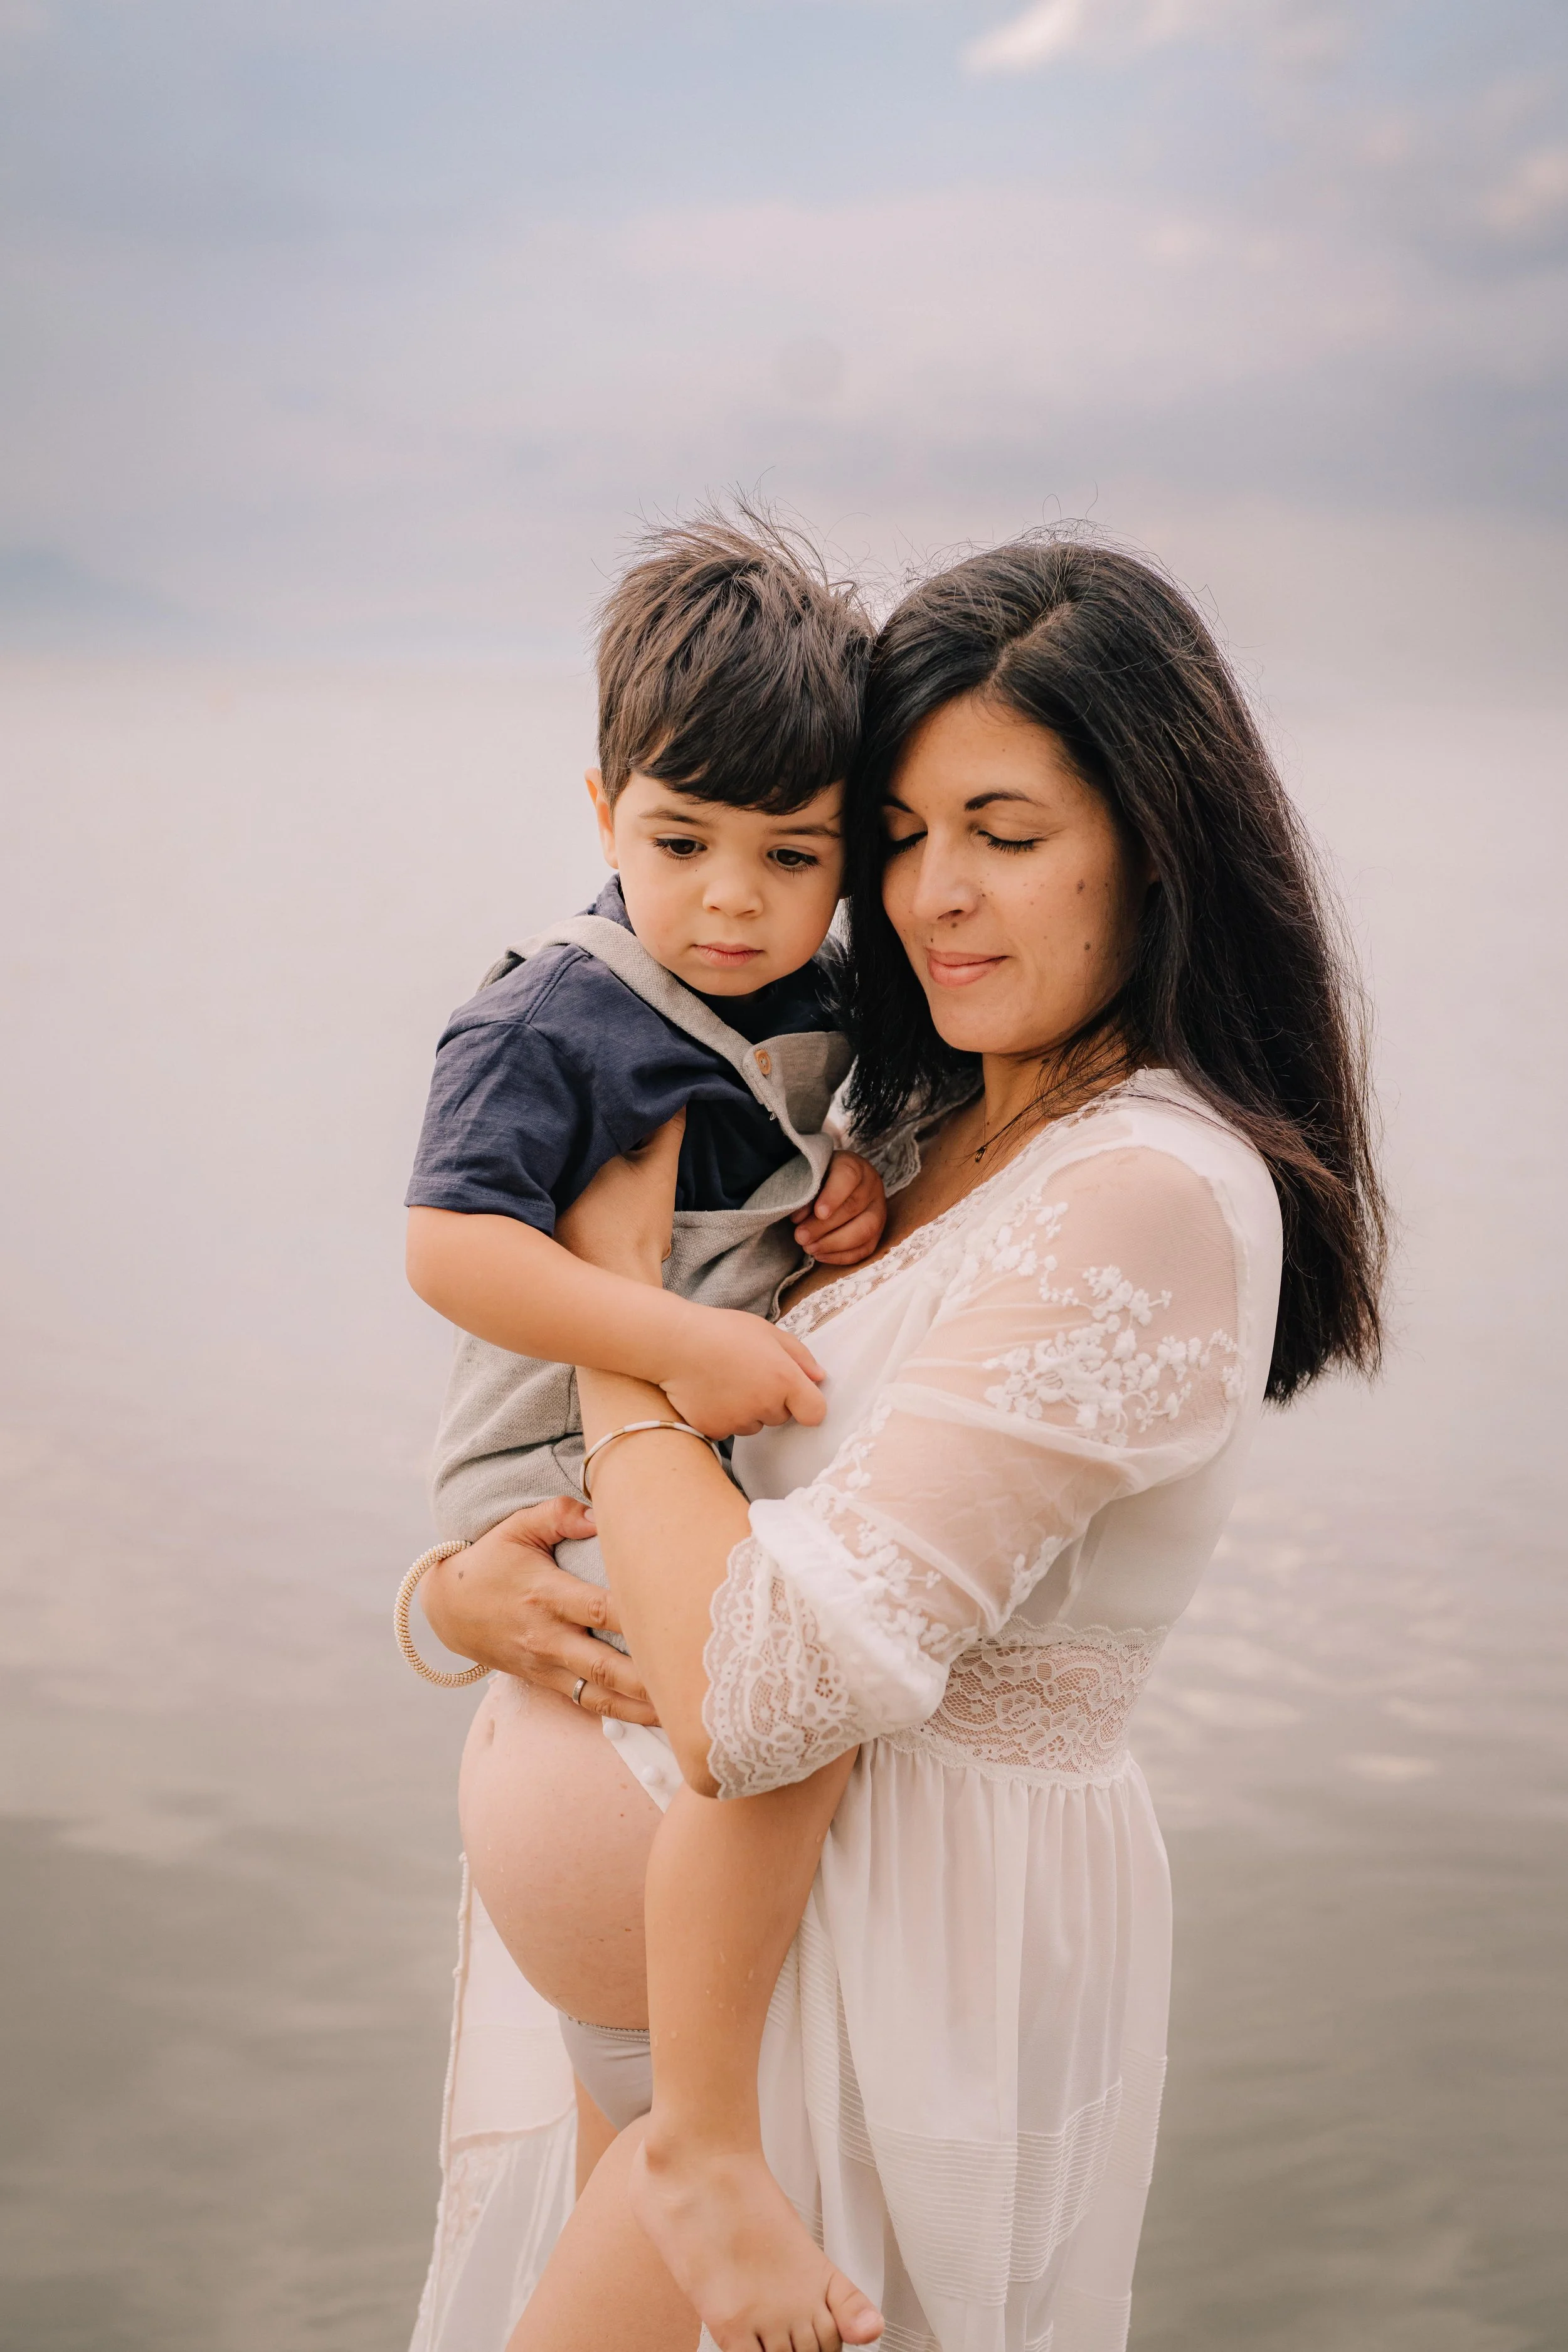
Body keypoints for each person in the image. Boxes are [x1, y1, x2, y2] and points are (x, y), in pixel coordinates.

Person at [420, 534, 1387, 2352]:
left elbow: (769, 1688)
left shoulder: (1149, 1194)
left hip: (859, 2015)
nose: (932, 895)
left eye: (1004, 836)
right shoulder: (905, 1104)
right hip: (699, 1997)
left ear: (1156, 846)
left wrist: (629, 1336)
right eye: (893, 837)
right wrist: (458, 1595)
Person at [401, 511, 889, 2198]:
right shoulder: (549, 1019)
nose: (732, 902)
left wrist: (845, 1178)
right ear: (605, 810)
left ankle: (692, 2126)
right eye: (681, 843)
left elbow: (795, 1137)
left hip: (680, 1468)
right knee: (752, 1718)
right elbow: (449, 1247)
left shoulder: (824, 995)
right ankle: (706, 2133)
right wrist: (671, 1338)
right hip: (547, 1470)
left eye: (789, 856)